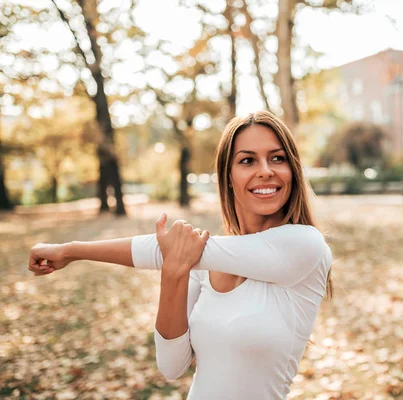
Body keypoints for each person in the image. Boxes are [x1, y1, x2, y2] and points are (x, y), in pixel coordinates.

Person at [28, 111, 333, 400]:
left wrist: (71, 251)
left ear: (292, 169)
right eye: (248, 160)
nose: (265, 171)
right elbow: (172, 366)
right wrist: (174, 275)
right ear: (227, 176)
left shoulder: (304, 245)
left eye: (277, 158)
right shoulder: (204, 263)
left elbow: (164, 249)